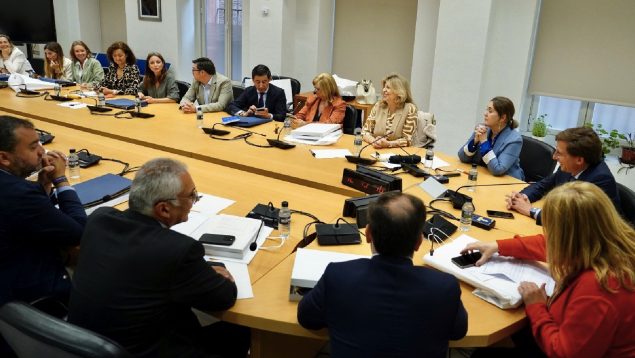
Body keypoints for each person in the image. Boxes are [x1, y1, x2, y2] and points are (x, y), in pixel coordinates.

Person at [68, 158, 249, 358]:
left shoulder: (99, 219)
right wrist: (216, 270)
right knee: (242, 333)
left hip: (85, 347)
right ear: (164, 209)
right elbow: (223, 297)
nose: (194, 201)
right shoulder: (178, 250)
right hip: (148, 351)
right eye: (192, 196)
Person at [463, 182, 635, 357]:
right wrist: (498, 245)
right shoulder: (610, 243)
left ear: (569, 236)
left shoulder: (599, 287)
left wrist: (536, 306)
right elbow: (548, 244)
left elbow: (563, 353)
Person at [297, 192, 467, 357]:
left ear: (368, 234)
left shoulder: (338, 275)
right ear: (418, 242)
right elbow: (458, 331)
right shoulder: (444, 287)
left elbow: (307, 318)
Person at [0, 115, 86, 307]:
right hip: (30, 295)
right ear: (4, 158)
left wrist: (43, 188)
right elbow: (80, 233)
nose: (41, 152)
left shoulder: (16, 189)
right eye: (32, 147)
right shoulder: (18, 194)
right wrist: (61, 180)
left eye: (40, 143)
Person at [506, 126, 620, 224]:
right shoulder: (570, 166)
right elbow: (543, 185)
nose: (554, 157)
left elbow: (572, 222)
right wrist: (522, 197)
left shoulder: (600, 180)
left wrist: (531, 211)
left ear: (579, 160)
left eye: (559, 153)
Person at [458, 96, 524, 180]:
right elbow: (462, 157)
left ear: (503, 118)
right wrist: (474, 141)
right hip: (484, 176)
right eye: (486, 109)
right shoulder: (482, 128)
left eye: (490, 111)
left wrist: (484, 142)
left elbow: (498, 169)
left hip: (507, 183)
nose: (485, 113)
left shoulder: (514, 140)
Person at [361, 73, 417, 148]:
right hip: (375, 150)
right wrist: (374, 141)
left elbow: (408, 140)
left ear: (399, 91)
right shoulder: (378, 106)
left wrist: (388, 144)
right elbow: (364, 132)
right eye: (384, 87)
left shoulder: (410, 109)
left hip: (398, 154)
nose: (384, 90)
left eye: (388, 87)